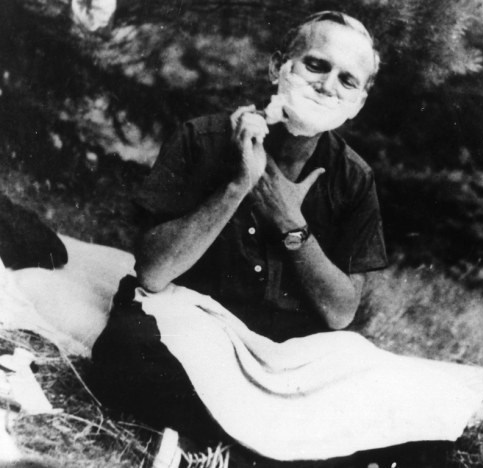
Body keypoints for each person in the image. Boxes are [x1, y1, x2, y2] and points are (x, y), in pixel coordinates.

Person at [91, 10, 388, 449]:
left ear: (359, 102)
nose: (327, 86)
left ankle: (238, 432)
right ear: (277, 66)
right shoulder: (202, 138)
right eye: (316, 65)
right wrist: (238, 185)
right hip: (192, 324)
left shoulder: (353, 178)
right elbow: (153, 273)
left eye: (347, 80)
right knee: (129, 351)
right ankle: (259, 441)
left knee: (377, 395)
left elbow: (341, 313)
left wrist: (291, 222)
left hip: (285, 349)